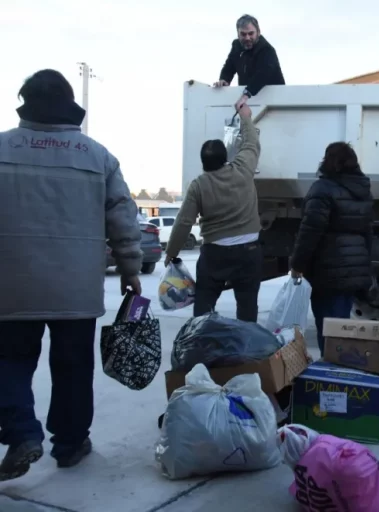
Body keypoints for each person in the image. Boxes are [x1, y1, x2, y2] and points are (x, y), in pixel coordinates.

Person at [0, 70, 142, 480]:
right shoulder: (96, 155)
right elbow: (122, 216)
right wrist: (130, 269)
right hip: (76, 289)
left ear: (25, 102)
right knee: (74, 367)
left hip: (12, 284)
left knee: (8, 362)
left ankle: (22, 432)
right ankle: (70, 442)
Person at [165, 103, 263, 322]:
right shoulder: (243, 169)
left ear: (203, 163)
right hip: (249, 251)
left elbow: (184, 222)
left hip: (215, 255)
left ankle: (202, 346)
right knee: (247, 307)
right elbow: (251, 144)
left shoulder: (199, 185)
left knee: (204, 305)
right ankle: (246, 351)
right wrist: (246, 117)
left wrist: (171, 252)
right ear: (225, 157)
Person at [289, 142, 374, 358]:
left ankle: (332, 374)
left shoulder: (323, 189)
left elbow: (309, 232)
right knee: (341, 326)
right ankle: (341, 368)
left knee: (328, 329)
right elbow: (368, 232)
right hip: (352, 270)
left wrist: (297, 265)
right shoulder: (363, 191)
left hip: (327, 272)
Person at [213, 14, 285, 110]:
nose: (247, 38)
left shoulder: (267, 50)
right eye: (243, 34)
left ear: (258, 32)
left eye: (251, 33)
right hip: (249, 102)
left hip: (272, 102)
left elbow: (264, 73)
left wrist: (246, 94)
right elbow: (229, 66)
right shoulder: (236, 46)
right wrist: (224, 80)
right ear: (238, 34)